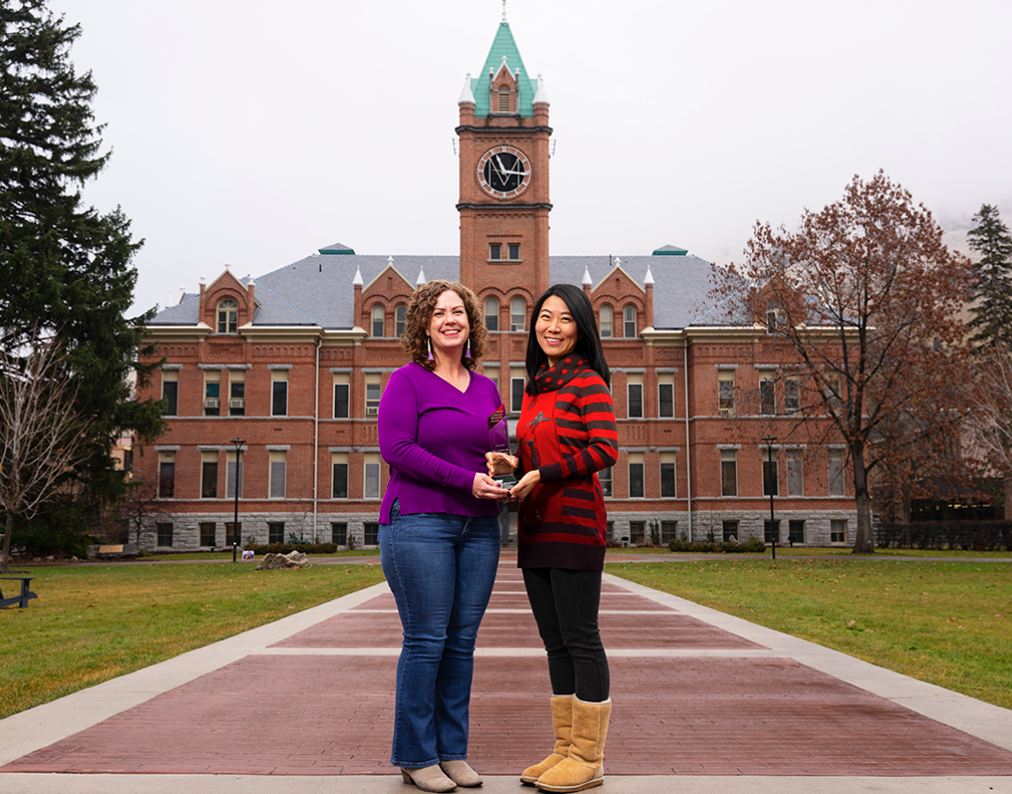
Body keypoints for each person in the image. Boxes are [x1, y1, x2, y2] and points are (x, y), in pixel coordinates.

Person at [378, 280, 510, 792]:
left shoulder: (488, 388)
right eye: (438, 313)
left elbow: (496, 444)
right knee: (427, 640)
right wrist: (466, 480)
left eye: (458, 311)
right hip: (418, 523)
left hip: (478, 528)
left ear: (471, 323)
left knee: (461, 644)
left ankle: (451, 751)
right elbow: (397, 449)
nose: (449, 319)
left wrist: (505, 473)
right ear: (424, 325)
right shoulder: (406, 382)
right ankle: (416, 755)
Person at [506, 284, 618, 792]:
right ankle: (564, 750)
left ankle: (589, 758)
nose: (552, 326)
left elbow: (605, 450)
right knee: (555, 645)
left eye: (565, 318)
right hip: (535, 525)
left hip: (574, 525)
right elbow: (542, 458)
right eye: (544, 317)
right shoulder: (535, 389)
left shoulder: (587, 382)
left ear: (580, 328)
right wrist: (516, 464)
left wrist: (544, 473)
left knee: (581, 639)